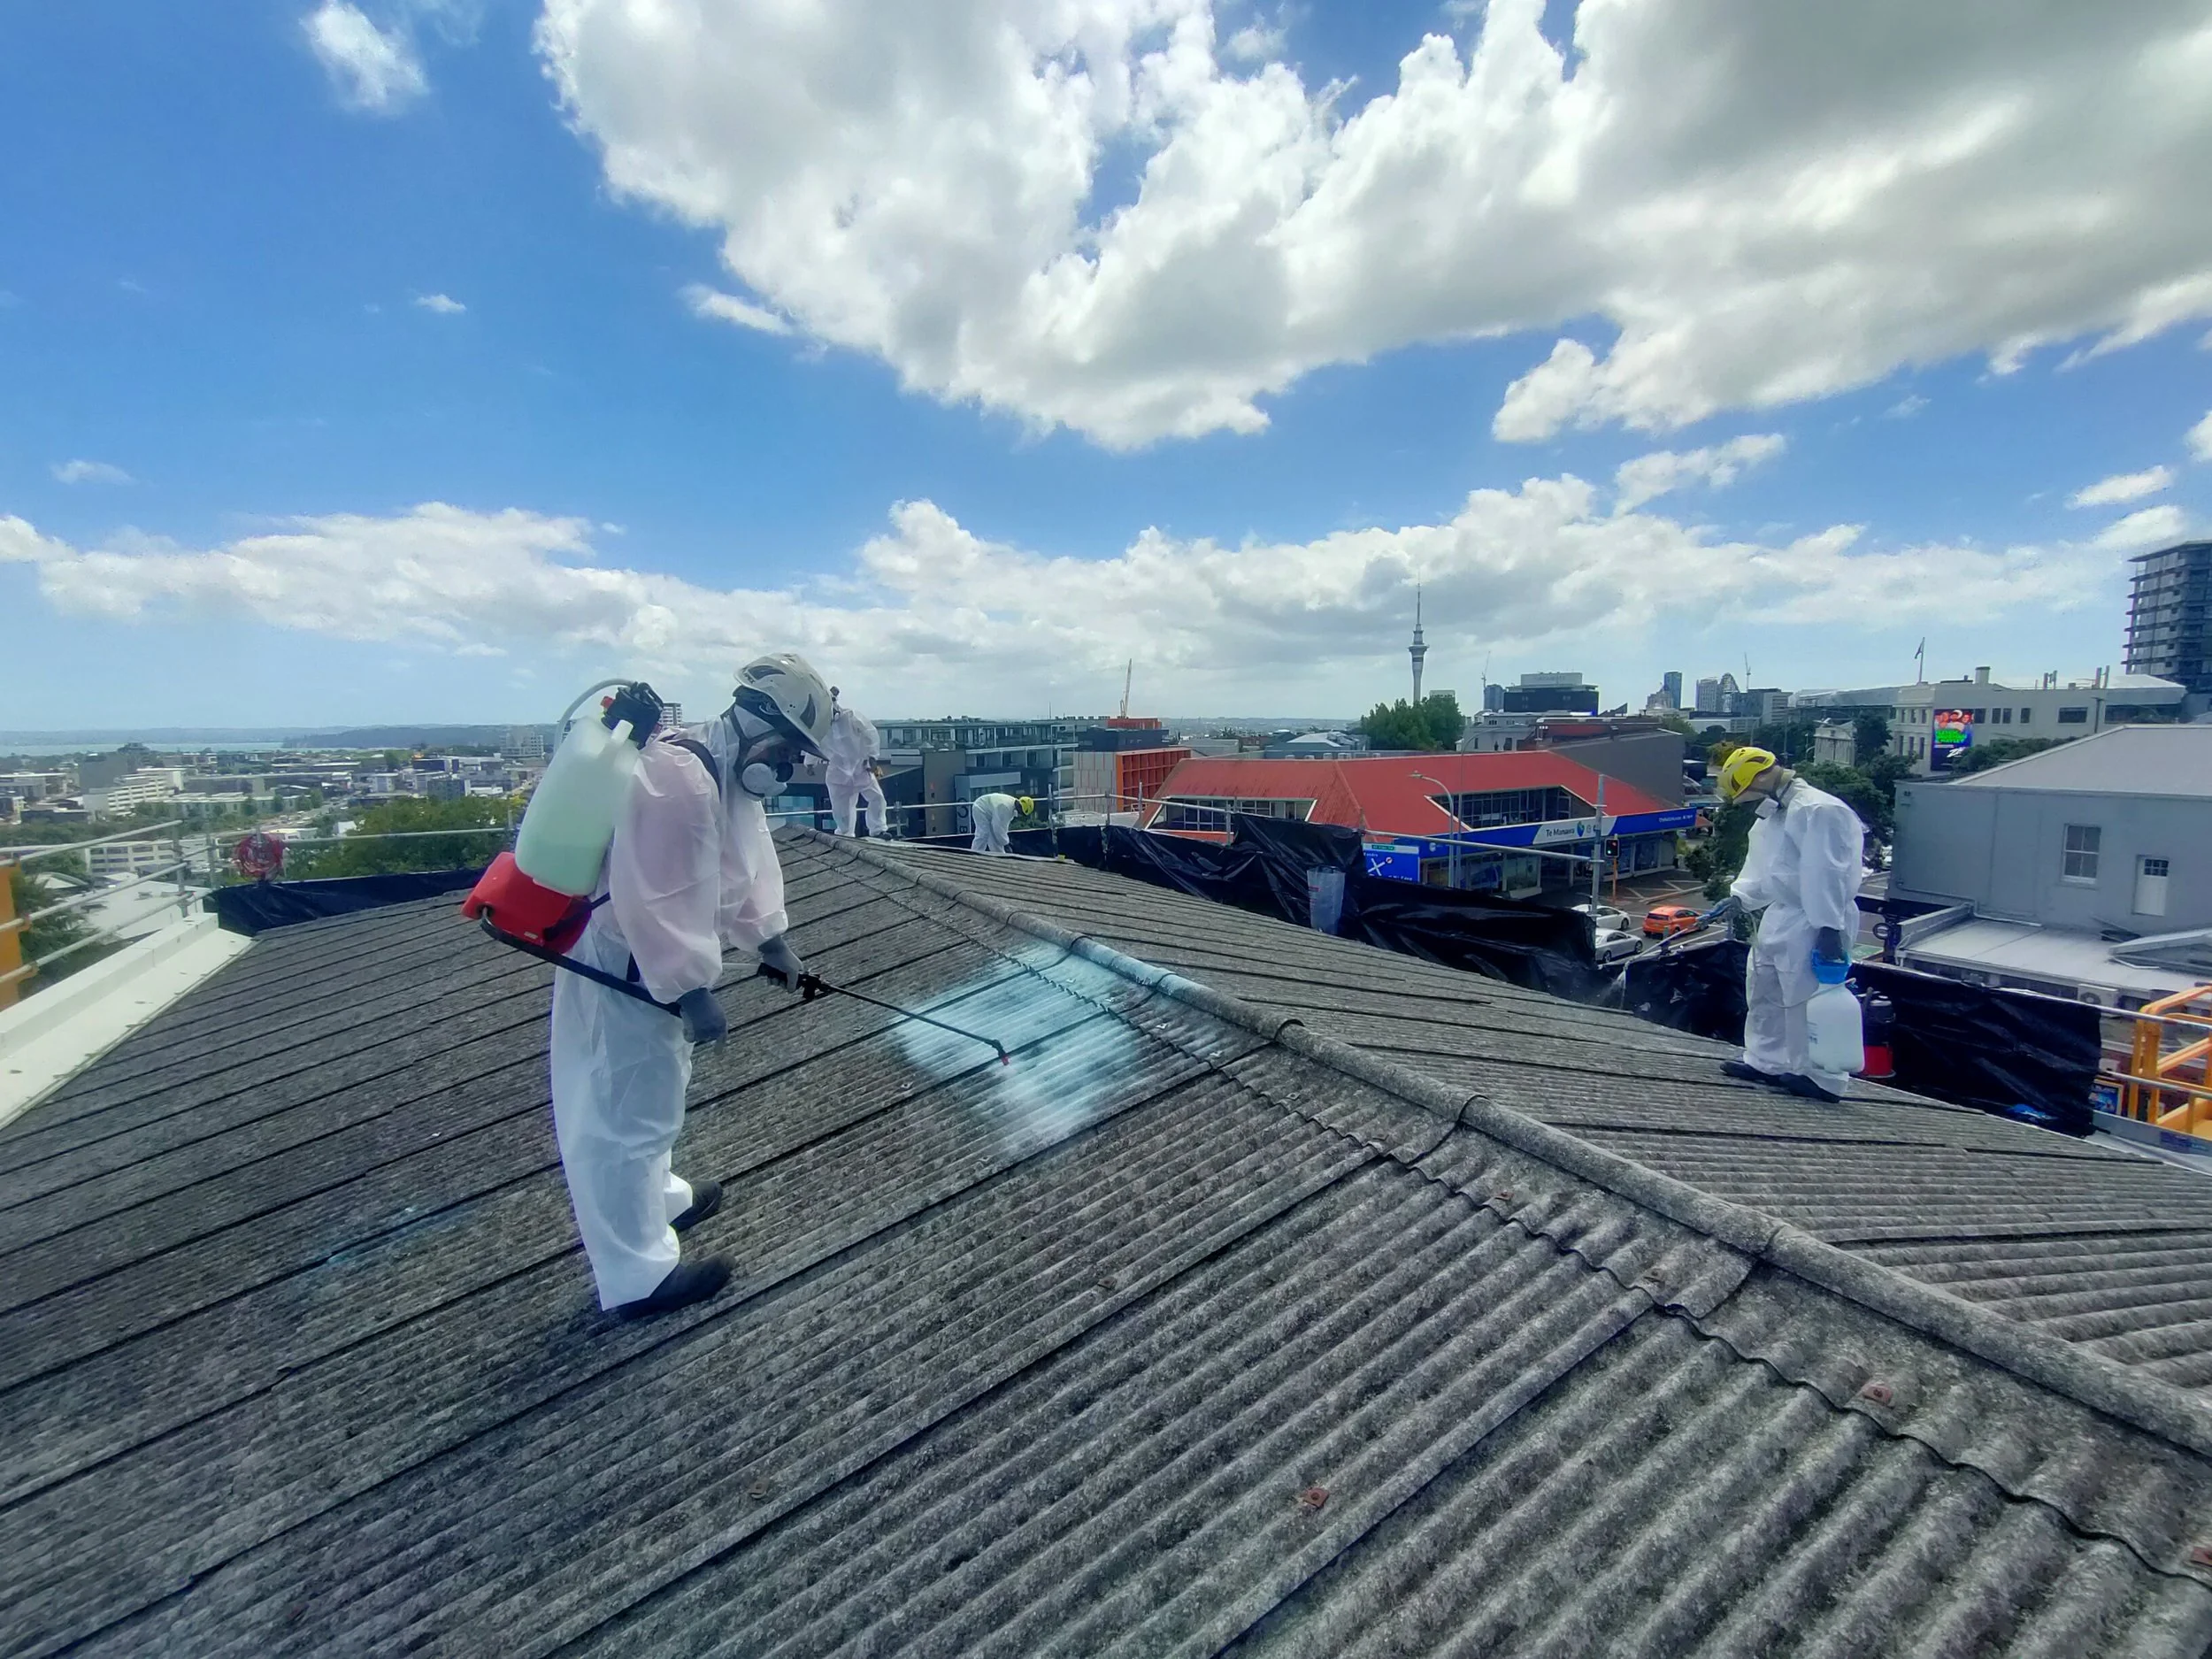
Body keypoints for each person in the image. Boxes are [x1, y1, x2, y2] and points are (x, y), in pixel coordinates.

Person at [549, 652, 832, 1317]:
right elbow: (656, 891)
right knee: (622, 1110)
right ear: (758, 720)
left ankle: (660, 1198)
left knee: (656, 1087)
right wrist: (689, 986)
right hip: (626, 961)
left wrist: (768, 937)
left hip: (648, 964)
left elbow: (741, 856)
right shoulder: (679, 778)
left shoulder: (719, 767)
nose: (789, 765)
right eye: (789, 747)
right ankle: (636, 1274)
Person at [1703, 746, 1864, 1102]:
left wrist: (1829, 928)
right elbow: (1765, 867)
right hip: (1782, 913)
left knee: (1806, 996)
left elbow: (1828, 874)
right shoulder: (1774, 815)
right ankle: (1766, 1062)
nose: (1748, 805)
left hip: (1814, 918)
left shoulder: (1819, 810)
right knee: (1765, 988)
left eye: (1748, 795)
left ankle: (1821, 1077)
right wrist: (1740, 898)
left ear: (1763, 778)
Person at [824, 693, 888, 838]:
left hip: (860, 767)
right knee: (841, 807)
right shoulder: (821, 724)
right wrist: (810, 762)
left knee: (876, 797)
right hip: (838, 771)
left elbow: (870, 734)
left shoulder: (851, 716)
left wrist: (872, 757)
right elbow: (815, 741)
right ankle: (845, 833)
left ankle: (878, 830)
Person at [969, 791, 1033, 854]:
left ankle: (999, 855)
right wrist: (1006, 844)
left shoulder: (1011, 807)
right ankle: (975, 854)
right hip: (980, 808)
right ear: (1020, 808)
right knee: (983, 833)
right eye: (1021, 813)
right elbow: (998, 828)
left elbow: (1000, 829)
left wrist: (1005, 842)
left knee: (994, 838)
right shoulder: (1005, 808)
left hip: (987, 810)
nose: (1020, 815)